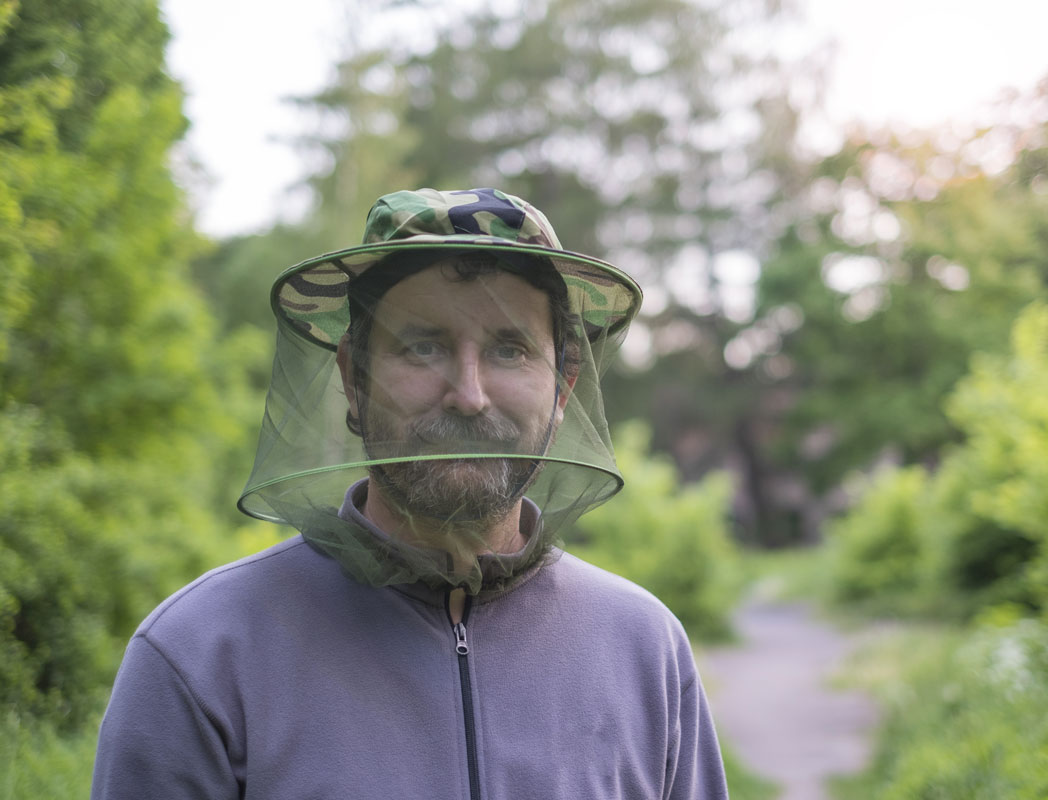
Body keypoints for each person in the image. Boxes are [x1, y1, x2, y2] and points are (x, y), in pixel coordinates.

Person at [91, 188, 729, 799]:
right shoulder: (202, 654)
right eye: (422, 346)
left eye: (510, 349)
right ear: (353, 377)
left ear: (562, 388)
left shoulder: (646, 650)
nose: (470, 395)